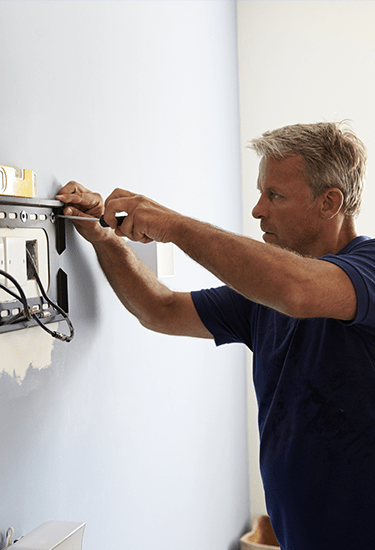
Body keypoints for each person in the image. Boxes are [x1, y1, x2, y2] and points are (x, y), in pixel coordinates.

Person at [56, 121, 375, 550]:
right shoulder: (265, 292)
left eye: (275, 196)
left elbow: (298, 292)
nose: (258, 210)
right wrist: (102, 237)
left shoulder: (365, 269)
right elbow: (161, 309)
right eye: (261, 192)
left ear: (329, 202)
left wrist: (174, 225)